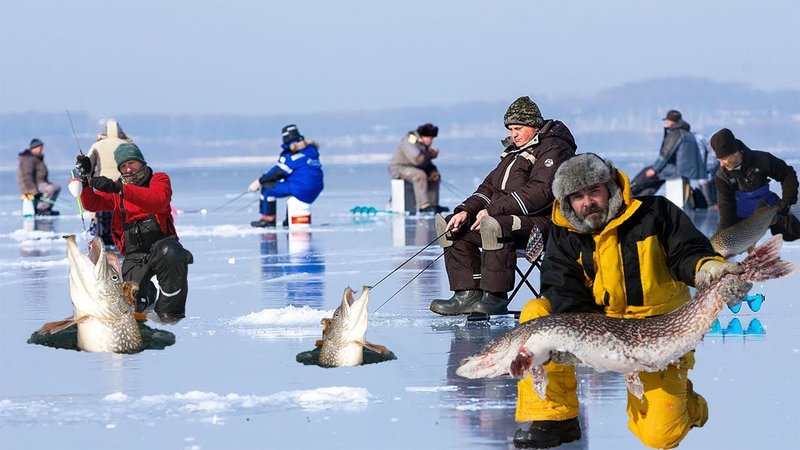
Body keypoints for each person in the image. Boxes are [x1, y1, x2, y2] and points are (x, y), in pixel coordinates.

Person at [513, 153, 740, 449]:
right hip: (600, 327)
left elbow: (687, 252)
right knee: (537, 313)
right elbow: (561, 288)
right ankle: (554, 418)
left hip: (659, 333)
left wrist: (709, 268)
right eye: (578, 196)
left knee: (661, 436)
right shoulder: (564, 233)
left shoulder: (655, 213)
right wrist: (578, 341)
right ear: (568, 202)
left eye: (594, 191)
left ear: (610, 187)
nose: (588, 202)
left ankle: (689, 403)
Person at [429, 96, 577, 316]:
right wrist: (464, 211)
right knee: (453, 226)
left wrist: (492, 210)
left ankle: (495, 296)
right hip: (508, 218)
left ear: (534, 126)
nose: (513, 134)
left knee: (494, 225)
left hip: (545, 223)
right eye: (510, 129)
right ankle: (467, 294)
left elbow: (541, 192)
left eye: (518, 128)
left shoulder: (553, 148)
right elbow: (488, 189)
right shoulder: (513, 153)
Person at [75, 143, 193, 322]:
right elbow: (92, 203)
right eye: (123, 166)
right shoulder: (117, 190)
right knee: (128, 304)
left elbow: (158, 201)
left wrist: (120, 189)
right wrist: (85, 181)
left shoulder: (158, 179)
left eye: (131, 163)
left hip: (162, 246)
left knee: (172, 253)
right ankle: (147, 296)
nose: (128, 168)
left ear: (141, 162)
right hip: (134, 254)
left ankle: (170, 312)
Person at [711, 127, 800, 241]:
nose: (722, 164)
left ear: (735, 152)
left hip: (768, 207)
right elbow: (726, 208)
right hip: (742, 216)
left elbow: (787, 174)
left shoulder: (761, 159)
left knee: (791, 233)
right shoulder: (722, 176)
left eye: (724, 158)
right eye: (719, 160)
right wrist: (722, 237)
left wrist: (787, 202)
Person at [248, 124, 324, 227]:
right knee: (293, 194)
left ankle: (268, 219)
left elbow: (278, 172)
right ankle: (289, 220)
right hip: (316, 188)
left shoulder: (291, 154)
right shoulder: (311, 150)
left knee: (267, 188)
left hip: (301, 187)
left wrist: (260, 181)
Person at [631, 110, 705, 204]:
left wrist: (654, 169)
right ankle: (641, 200)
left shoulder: (675, 133)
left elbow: (665, 154)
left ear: (671, 121)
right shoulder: (687, 133)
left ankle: (631, 192)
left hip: (677, 170)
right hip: (687, 169)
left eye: (667, 120)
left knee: (647, 174)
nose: (666, 123)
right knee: (656, 181)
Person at [86, 119, 133, 246]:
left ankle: (104, 243)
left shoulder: (97, 146)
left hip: (103, 185)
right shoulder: (126, 145)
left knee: (103, 216)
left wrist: (87, 183)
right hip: (123, 186)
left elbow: (87, 166)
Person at [388, 123, 448, 213]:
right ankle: (423, 205)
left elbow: (424, 161)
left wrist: (432, 170)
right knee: (420, 175)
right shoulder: (409, 141)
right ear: (422, 136)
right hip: (399, 168)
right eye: (429, 138)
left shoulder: (422, 144)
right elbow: (417, 160)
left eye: (432, 139)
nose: (431, 141)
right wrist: (431, 154)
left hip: (413, 168)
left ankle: (433, 204)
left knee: (434, 176)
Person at [17, 138, 61, 216]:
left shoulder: (37, 158)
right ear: (34, 148)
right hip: (31, 187)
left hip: (41, 183)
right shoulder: (28, 159)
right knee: (51, 189)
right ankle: (41, 209)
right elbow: (27, 177)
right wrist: (33, 191)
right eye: (39, 147)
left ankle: (47, 208)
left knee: (56, 187)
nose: (41, 149)